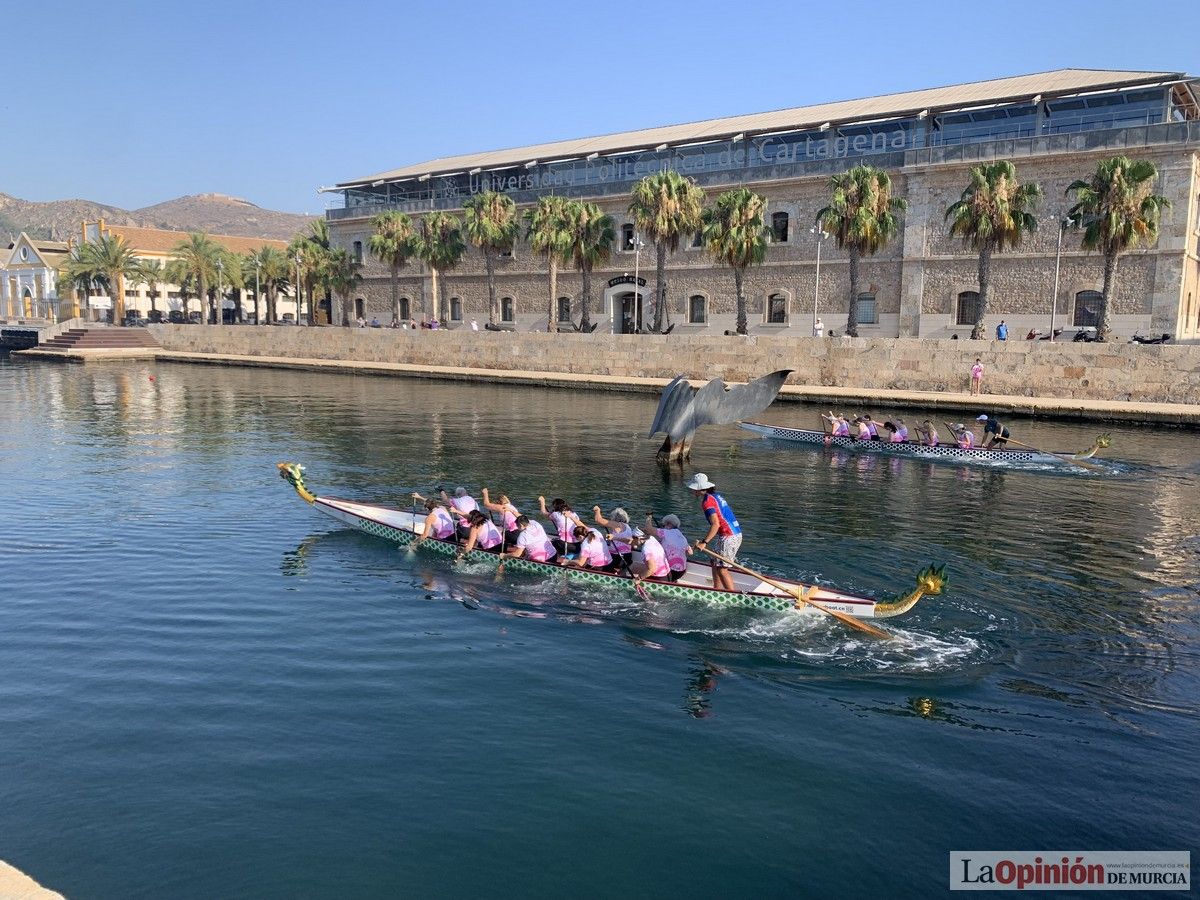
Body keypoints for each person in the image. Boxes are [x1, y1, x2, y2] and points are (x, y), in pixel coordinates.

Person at [686, 473, 742, 593]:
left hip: (729, 536)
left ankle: (733, 596)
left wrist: (704, 542)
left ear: (699, 489)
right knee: (714, 561)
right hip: (732, 534)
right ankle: (717, 590)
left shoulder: (707, 503)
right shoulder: (715, 496)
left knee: (722, 569)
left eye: (694, 489)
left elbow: (715, 524)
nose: (692, 491)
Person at [643, 513, 691, 582]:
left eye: (664, 525)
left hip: (670, 571)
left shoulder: (665, 532)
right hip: (681, 571)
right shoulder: (682, 537)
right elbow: (690, 552)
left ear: (669, 524)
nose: (663, 527)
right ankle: (672, 581)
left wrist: (649, 517)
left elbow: (648, 529)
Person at [592, 506, 636, 572]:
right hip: (628, 556)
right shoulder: (627, 526)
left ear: (614, 517)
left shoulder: (617, 524)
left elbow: (598, 520)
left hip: (617, 557)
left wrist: (597, 511)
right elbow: (616, 538)